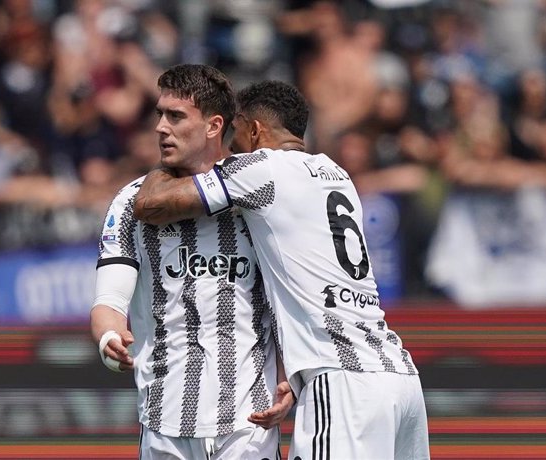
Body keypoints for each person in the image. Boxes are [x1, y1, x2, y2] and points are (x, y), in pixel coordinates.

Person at [133, 80, 430, 459]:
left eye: (235, 136)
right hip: (398, 376)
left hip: (341, 380)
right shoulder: (335, 173)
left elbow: (151, 204)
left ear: (255, 131)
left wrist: (167, 164)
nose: (229, 150)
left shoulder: (260, 169)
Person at [90, 65, 292, 460]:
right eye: (159, 114)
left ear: (214, 126)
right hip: (164, 423)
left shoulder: (258, 197)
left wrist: (287, 378)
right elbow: (109, 302)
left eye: (176, 116)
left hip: (248, 424)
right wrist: (108, 339)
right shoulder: (129, 203)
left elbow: (286, 300)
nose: (161, 127)